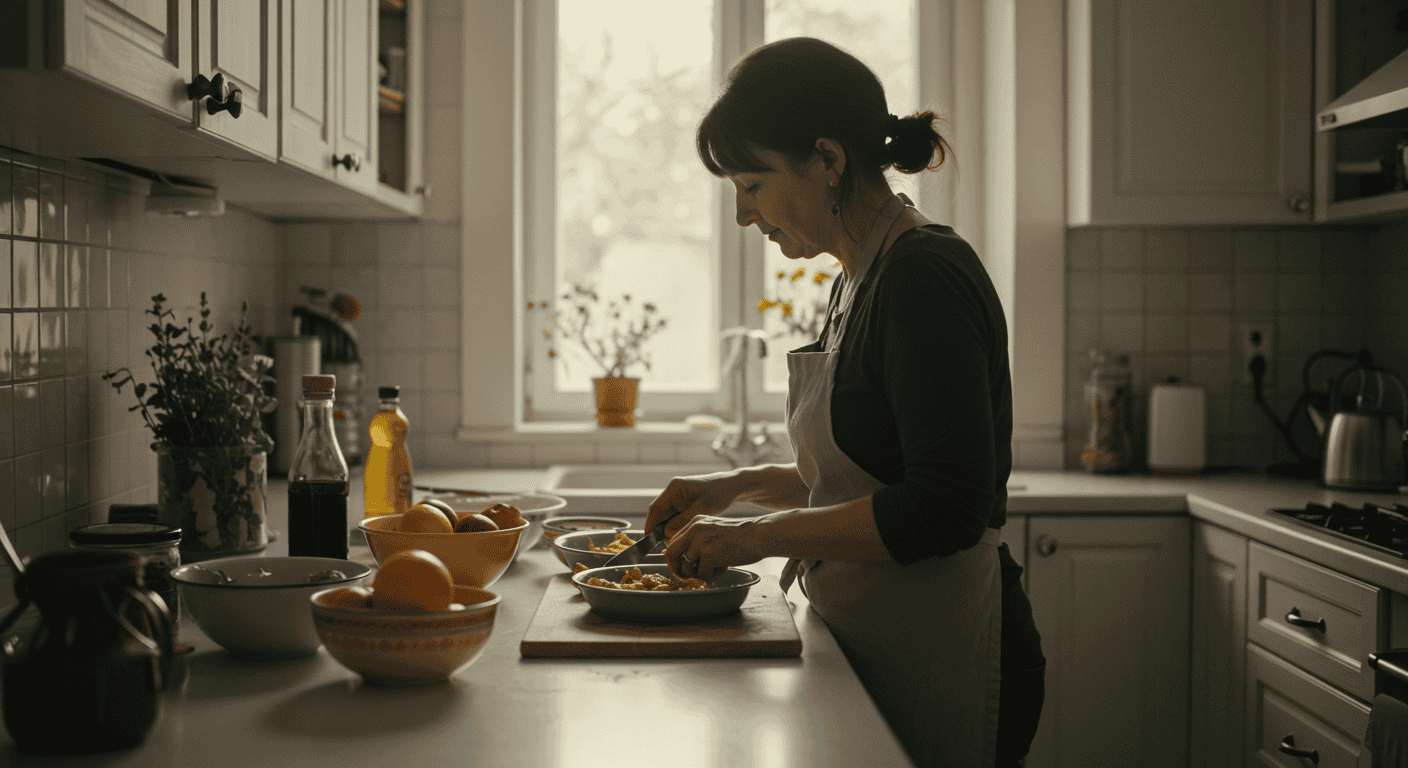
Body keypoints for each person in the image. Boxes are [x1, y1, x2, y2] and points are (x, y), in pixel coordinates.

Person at [645, 37, 1045, 768]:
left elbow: (944, 504)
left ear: (828, 159)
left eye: (752, 184)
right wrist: (733, 490)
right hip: (881, 634)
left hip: (947, 646)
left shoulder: (924, 276)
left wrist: (761, 536)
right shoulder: (858, 277)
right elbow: (863, 478)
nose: (742, 216)